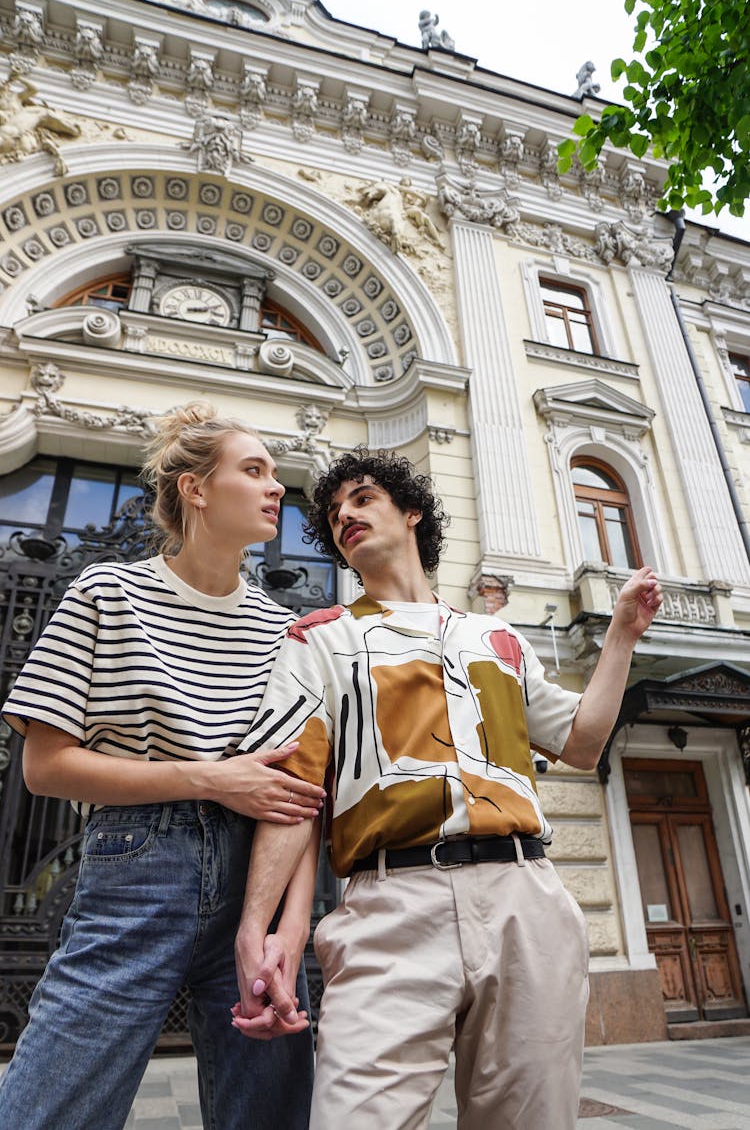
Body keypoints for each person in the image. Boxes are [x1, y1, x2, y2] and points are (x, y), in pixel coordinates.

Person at [231, 448, 663, 1130]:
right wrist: (258, 928)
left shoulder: (496, 636)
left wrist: (621, 637)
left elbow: (580, 741)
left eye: (363, 497)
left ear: (412, 512)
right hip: (389, 906)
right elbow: (292, 790)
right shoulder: (318, 640)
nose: (344, 513)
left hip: (526, 899)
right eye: (334, 510)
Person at [0, 402, 325, 1130]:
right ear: (195, 489)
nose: (276, 487)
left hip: (258, 877)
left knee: (269, 1116)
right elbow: (45, 767)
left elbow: (299, 794)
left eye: (277, 473)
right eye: (254, 470)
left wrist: (287, 931)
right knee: (48, 1111)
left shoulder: (286, 630)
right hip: (136, 864)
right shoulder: (105, 592)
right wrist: (209, 777)